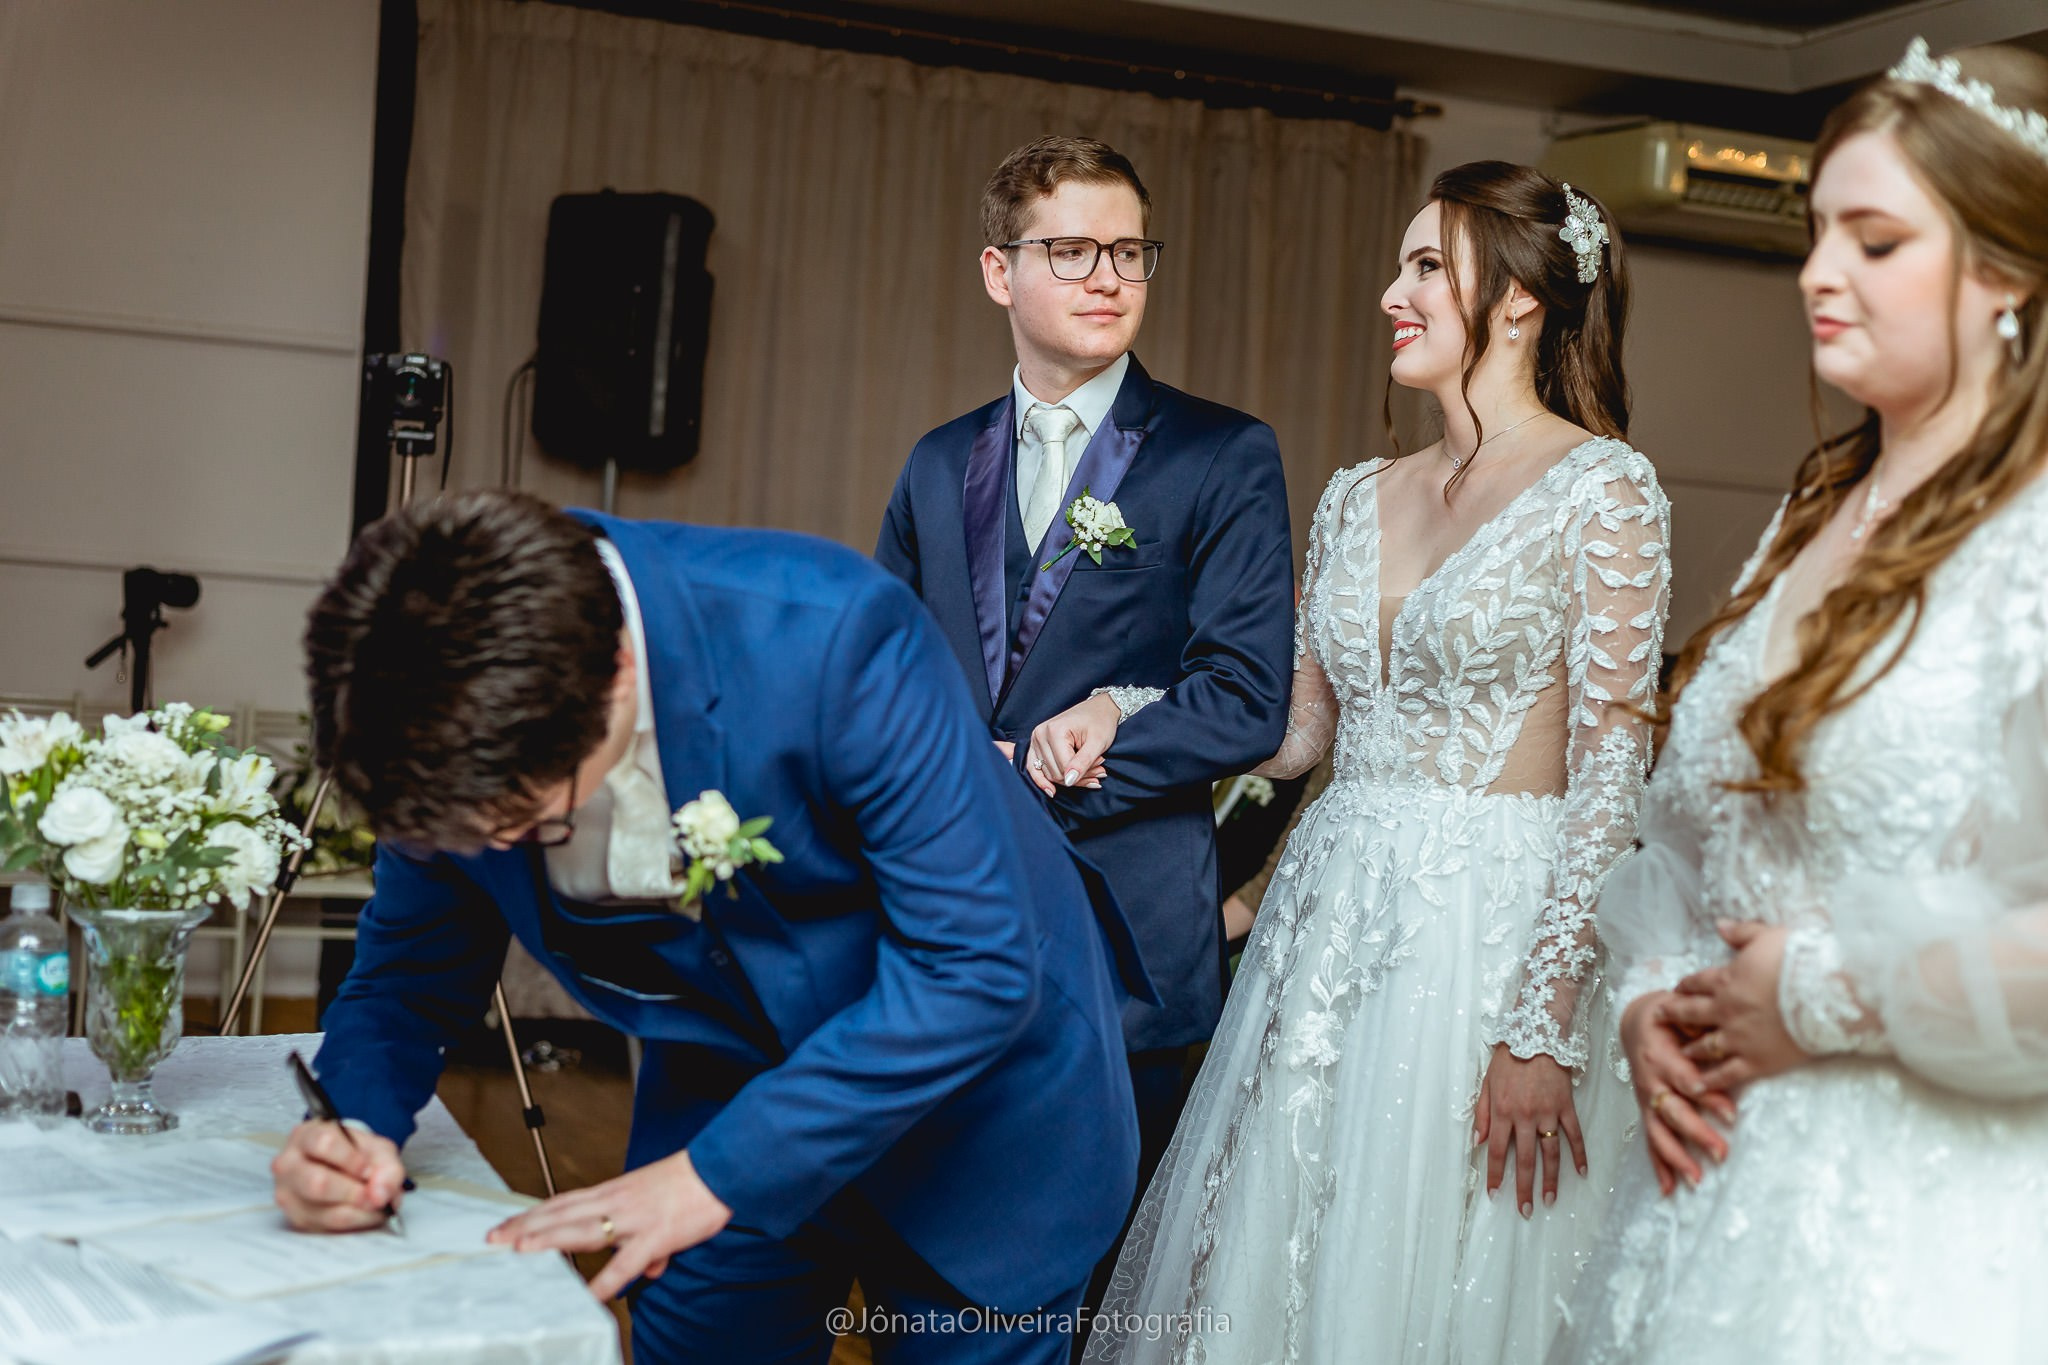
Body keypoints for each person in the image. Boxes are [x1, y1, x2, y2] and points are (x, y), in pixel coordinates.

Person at [267, 490, 1153, 1365]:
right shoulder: (428, 706)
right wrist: (351, 1126)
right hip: (721, 1088)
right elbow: (409, 974)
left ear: (615, 673)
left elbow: (972, 969)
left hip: (985, 1114)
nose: (490, 849)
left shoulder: (831, 635)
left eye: (520, 819)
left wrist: (717, 1173)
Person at [1086, 161, 1670, 1363]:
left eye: (1423, 267)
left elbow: (1614, 776)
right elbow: (1291, 732)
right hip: (1329, 924)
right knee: (1282, 1253)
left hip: (1487, 936)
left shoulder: (1604, 491)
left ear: (1516, 300)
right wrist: (1118, 709)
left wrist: (1541, 1027)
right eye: (1398, 266)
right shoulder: (1356, 494)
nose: (1388, 294)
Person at [1553, 40, 2048, 1364]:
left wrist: (1819, 997)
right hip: (1715, 1204)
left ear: (2005, 269)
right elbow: (1688, 836)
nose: (1819, 274)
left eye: (1876, 241)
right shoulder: (1811, 511)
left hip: (1934, 1232)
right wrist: (1656, 996)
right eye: (1819, 231)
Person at [873, 135, 1295, 1263]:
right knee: (944, 1264)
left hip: (1127, 936)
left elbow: (1247, 696)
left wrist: (1096, 738)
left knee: (1107, 1277)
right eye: (1069, 250)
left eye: (1128, 250)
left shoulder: (1220, 454)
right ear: (997, 271)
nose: (1107, 276)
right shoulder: (933, 463)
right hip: (953, 917)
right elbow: (886, 684)